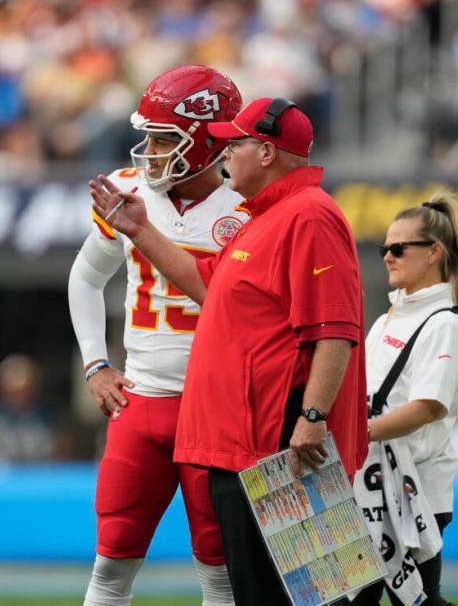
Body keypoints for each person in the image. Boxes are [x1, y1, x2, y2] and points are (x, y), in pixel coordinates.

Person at [90, 97, 366, 606]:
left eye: (234, 143)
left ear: (265, 152)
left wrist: (313, 414)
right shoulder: (268, 216)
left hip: (283, 440)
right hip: (246, 441)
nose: (223, 153)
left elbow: (335, 329)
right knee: (260, 592)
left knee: (316, 594)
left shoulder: (309, 215)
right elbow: (204, 283)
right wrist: (140, 230)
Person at [68, 65, 246, 606]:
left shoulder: (247, 208)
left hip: (215, 410)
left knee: (219, 570)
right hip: (140, 402)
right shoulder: (128, 189)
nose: (149, 150)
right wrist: (96, 365)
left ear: (207, 143)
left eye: (165, 138)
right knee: (110, 562)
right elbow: (85, 277)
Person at [354, 191, 458, 606]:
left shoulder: (444, 325)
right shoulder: (388, 316)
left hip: (415, 488)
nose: (387, 256)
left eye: (399, 248)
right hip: (370, 485)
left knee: (420, 603)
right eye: (385, 247)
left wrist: (356, 434)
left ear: (434, 253)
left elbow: (426, 407)